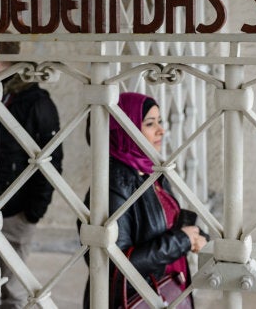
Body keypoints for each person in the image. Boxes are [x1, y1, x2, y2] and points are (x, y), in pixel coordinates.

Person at [81, 92, 207, 308]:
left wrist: (195, 235)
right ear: (124, 130)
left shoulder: (149, 171)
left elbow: (164, 221)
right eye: (150, 124)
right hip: (134, 298)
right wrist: (182, 241)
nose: (161, 130)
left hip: (164, 290)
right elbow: (114, 264)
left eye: (160, 121)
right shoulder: (113, 184)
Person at [0, 41, 63, 309]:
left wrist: (32, 213)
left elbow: (50, 161)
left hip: (13, 211)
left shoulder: (34, 101)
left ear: (4, 60)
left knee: (12, 290)